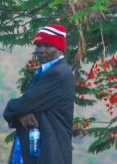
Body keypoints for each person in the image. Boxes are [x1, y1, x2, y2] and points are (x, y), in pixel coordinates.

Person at [4, 24, 75, 164]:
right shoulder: (47, 71)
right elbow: (27, 105)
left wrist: (14, 109)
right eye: (38, 45)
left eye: (47, 46)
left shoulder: (57, 73)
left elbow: (22, 104)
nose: (41, 50)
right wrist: (23, 112)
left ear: (60, 48)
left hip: (49, 152)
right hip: (37, 150)